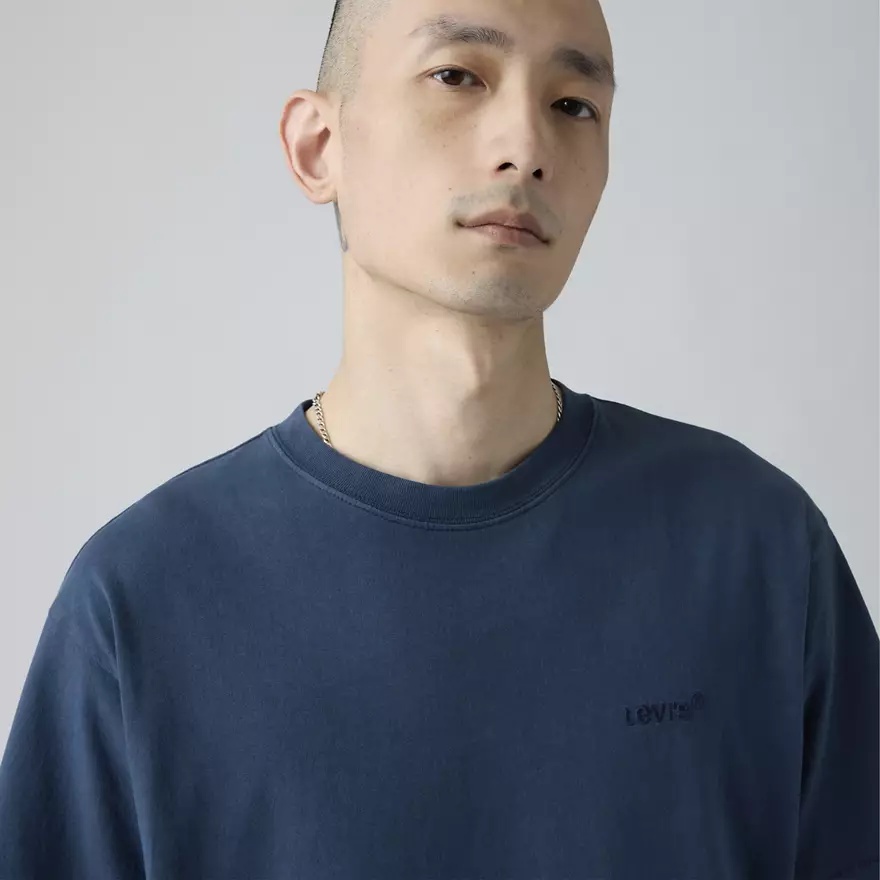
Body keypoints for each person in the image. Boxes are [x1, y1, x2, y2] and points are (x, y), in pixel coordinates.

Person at [1, 0, 877, 876]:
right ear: (318, 147)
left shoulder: (757, 551)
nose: (525, 146)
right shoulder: (141, 601)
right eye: (457, 75)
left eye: (573, 104)